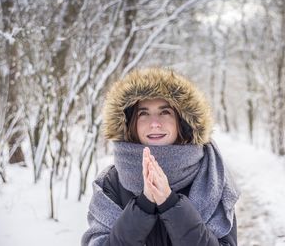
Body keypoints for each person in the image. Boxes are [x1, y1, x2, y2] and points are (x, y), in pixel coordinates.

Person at [81, 67, 239, 246]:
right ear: (130, 123)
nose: (155, 123)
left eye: (165, 112)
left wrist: (171, 205)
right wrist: (143, 206)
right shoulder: (112, 182)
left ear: (182, 121)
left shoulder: (210, 177)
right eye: (144, 113)